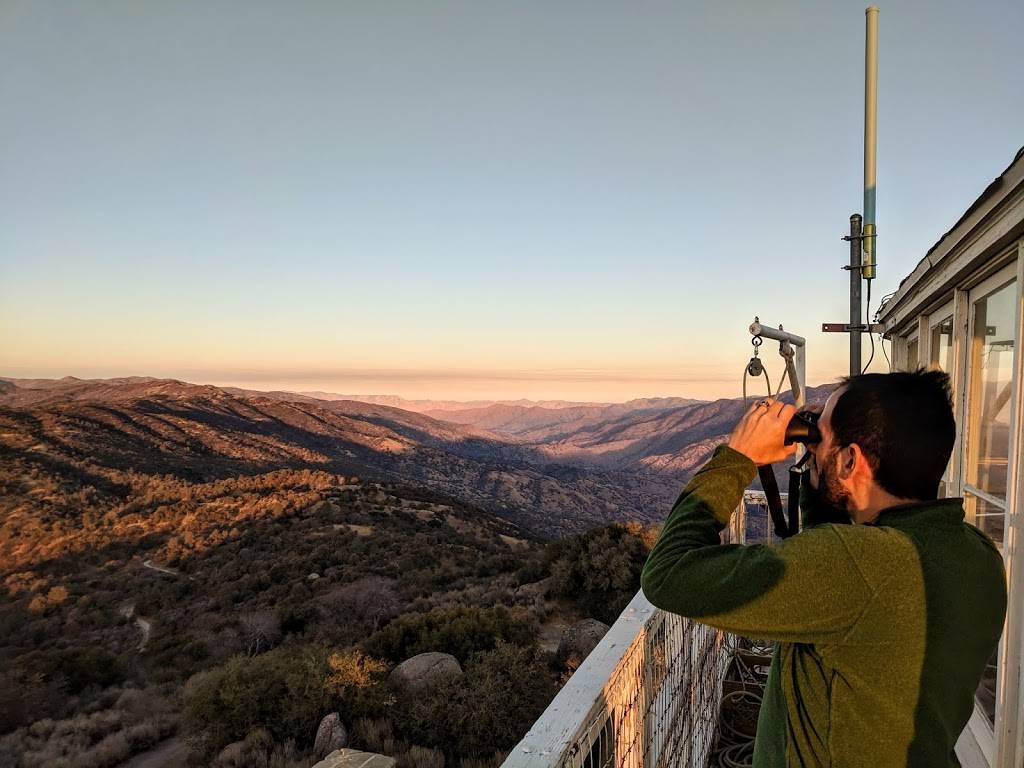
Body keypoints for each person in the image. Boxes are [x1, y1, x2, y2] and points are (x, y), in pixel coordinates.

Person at [641, 370, 1007, 767]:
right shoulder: (977, 555)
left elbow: (668, 573)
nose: (811, 444)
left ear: (851, 460)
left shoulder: (858, 566)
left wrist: (738, 458)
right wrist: (825, 469)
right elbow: (837, 580)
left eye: (820, 436)